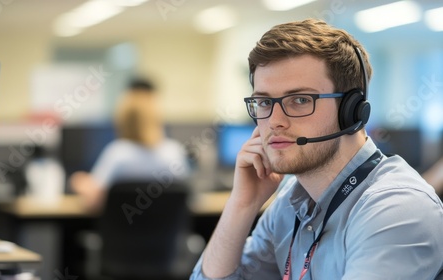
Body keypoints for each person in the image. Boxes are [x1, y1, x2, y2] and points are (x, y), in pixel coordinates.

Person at [190, 19, 443, 279]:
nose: (274, 121)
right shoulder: (290, 202)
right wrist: (242, 204)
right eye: (264, 102)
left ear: (351, 111)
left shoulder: (396, 210)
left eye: (300, 100)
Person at [70, 78, 190, 213]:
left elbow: (94, 201)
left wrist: (79, 182)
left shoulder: (118, 153)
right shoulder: (173, 152)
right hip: (167, 233)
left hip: (121, 232)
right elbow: (189, 198)